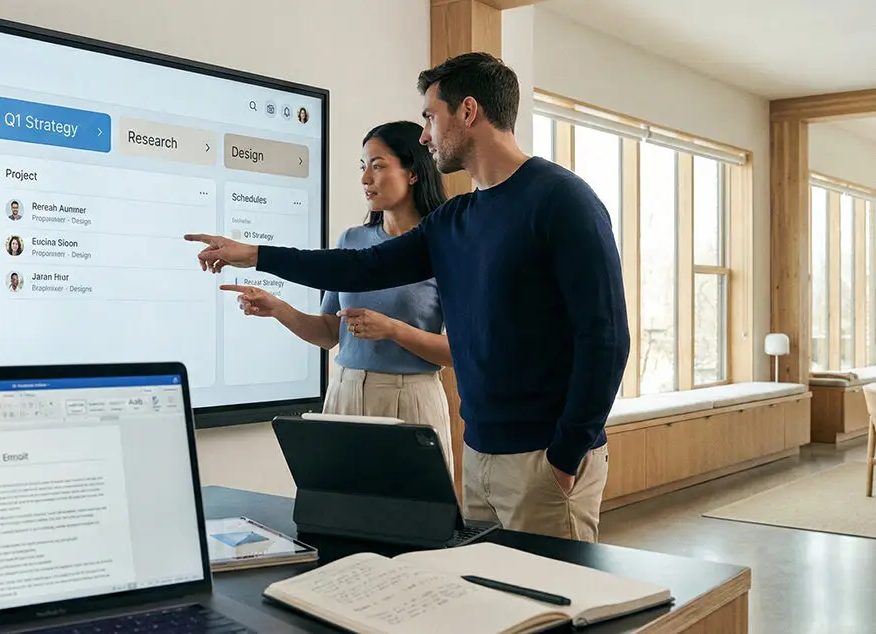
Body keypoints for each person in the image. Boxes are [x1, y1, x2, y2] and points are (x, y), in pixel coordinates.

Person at [184, 52, 629, 543]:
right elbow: (361, 266)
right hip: (479, 455)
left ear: (468, 112)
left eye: (429, 116)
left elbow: (605, 338)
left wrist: (567, 454)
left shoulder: (562, 200)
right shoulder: (455, 220)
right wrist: (256, 254)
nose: (424, 135)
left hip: (544, 459)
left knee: (555, 608)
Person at [222, 121, 454, 463]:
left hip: (411, 398)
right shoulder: (352, 242)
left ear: (414, 173)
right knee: (337, 511)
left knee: (411, 515)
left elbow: (456, 353)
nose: (365, 179)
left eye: (377, 166)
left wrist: (393, 330)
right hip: (344, 393)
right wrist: (278, 308)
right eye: (363, 168)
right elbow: (330, 334)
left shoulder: (444, 246)